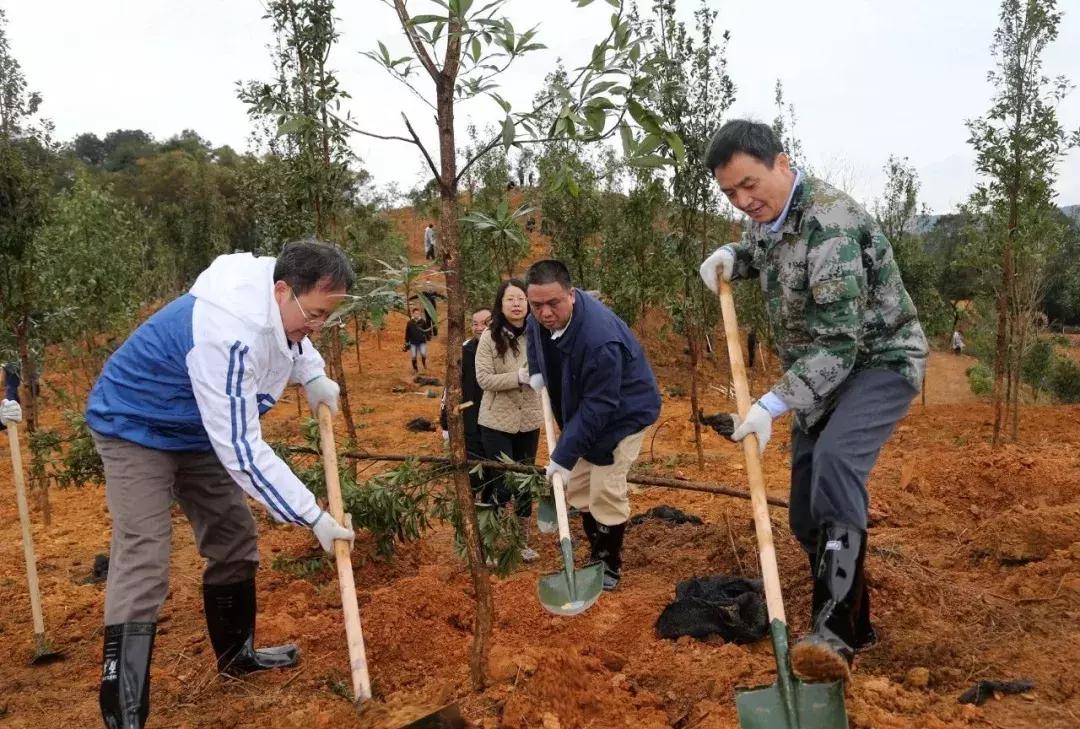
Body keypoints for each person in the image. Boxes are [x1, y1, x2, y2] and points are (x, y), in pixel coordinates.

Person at [84, 239, 357, 728]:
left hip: (196, 428)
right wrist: (312, 516)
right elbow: (243, 450)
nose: (317, 327)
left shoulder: (277, 304)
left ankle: (238, 655)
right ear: (282, 290)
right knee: (144, 558)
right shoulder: (229, 333)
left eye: (326, 318)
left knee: (233, 536)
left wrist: (311, 371)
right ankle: (124, 711)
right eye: (315, 314)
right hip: (136, 424)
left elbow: (291, 337)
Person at [698, 120, 928, 682]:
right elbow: (763, 250)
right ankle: (857, 623)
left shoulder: (831, 226)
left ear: (782, 162)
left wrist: (772, 405)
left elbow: (840, 345)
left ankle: (834, 631)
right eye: (730, 194)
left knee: (835, 465)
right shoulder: (773, 216)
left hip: (878, 362)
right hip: (820, 376)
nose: (744, 200)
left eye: (750, 184)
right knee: (806, 512)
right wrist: (734, 253)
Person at [524, 260, 661, 590]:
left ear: (571, 295)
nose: (544, 313)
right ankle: (595, 552)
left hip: (624, 414)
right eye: (536, 304)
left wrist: (562, 456)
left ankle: (609, 565)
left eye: (552, 303)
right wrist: (535, 370)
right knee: (581, 485)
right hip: (586, 409)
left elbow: (601, 405)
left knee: (605, 486)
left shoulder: (599, 339)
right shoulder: (541, 313)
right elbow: (533, 334)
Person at [475, 280, 543, 563]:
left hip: (529, 418)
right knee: (501, 481)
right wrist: (517, 378)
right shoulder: (489, 338)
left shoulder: (538, 334)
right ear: (500, 305)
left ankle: (521, 543)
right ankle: (491, 544)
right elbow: (484, 378)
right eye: (510, 299)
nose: (516, 304)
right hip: (496, 421)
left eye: (521, 299)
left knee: (526, 482)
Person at [440, 308, 491, 496]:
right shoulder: (464, 350)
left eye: (485, 323)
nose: (479, 328)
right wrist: (445, 422)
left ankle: (491, 502)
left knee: (494, 467)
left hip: (496, 420)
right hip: (471, 418)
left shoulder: (500, 348)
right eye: (475, 323)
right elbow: (449, 387)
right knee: (474, 466)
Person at [404, 307, 430, 372]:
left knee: (423, 354)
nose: (417, 315)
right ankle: (415, 369)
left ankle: (424, 364)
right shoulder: (410, 322)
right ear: (413, 314)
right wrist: (406, 341)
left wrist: (428, 336)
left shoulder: (423, 321)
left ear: (419, 314)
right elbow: (407, 332)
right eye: (415, 313)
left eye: (418, 313)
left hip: (422, 341)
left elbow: (426, 330)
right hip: (413, 342)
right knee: (413, 356)